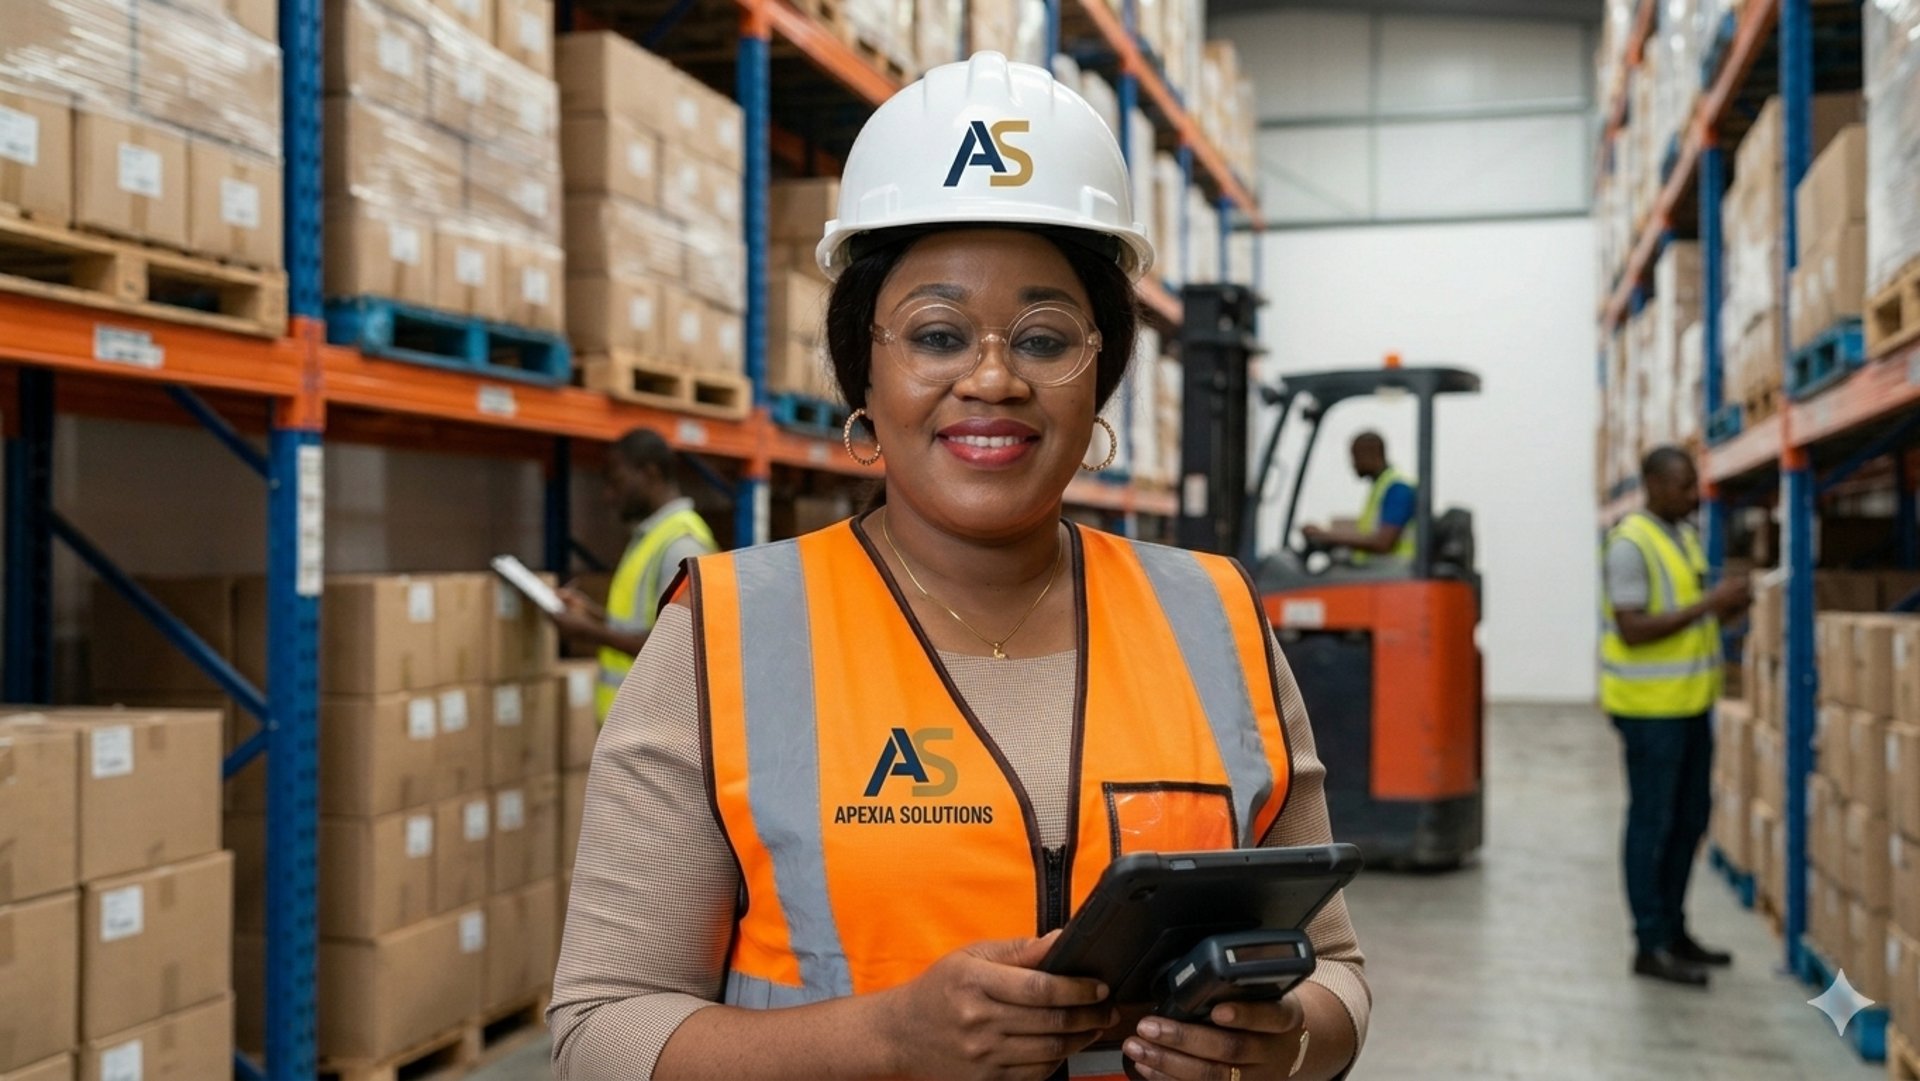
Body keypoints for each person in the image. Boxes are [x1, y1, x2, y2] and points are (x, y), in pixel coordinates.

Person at [550, 53, 1368, 1081]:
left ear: (1100, 376)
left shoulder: (1217, 617)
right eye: (938, 333)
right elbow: (598, 1034)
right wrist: (887, 1040)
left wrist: (1285, 1043)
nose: (991, 377)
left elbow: (1335, 974)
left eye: (1044, 337)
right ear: (867, 370)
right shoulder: (726, 631)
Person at [1601, 445, 1751, 988]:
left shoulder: (1682, 536)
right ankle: (1649, 942)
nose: (1694, 495)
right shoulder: (1629, 544)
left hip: (1690, 705)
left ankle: (1674, 929)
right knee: (1652, 824)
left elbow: (1689, 617)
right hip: (1649, 713)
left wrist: (1731, 602)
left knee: (1689, 821)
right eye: (1684, 485)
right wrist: (1710, 605)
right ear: (1653, 484)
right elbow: (1633, 628)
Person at [547, 427, 718, 724]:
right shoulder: (650, 537)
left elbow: (680, 649)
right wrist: (592, 614)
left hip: (658, 730)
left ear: (650, 474)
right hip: (633, 727)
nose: (608, 497)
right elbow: (647, 624)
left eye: (616, 482)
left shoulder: (681, 545)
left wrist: (589, 633)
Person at [1300, 432, 1415, 564]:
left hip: (1395, 573)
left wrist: (1327, 536)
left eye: (1355, 456)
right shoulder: (1381, 486)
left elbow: (1383, 543)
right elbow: (1369, 532)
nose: (1353, 464)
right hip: (1382, 570)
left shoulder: (1398, 488)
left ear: (1372, 454)